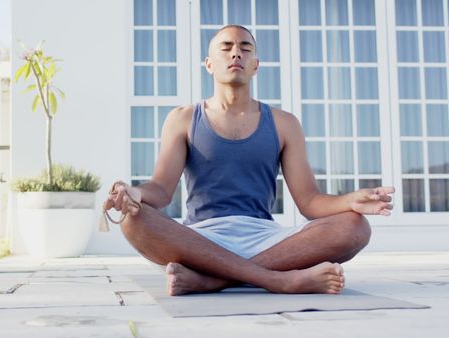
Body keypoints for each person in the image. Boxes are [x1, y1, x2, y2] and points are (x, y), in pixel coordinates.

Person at [104, 25, 395, 296]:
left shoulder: (284, 123)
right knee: (133, 218)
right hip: (201, 241)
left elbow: (309, 202)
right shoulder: (182, 119)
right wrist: (136, 193)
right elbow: (161, 190)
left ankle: (213, 280)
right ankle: (279, 280)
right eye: (226, 47)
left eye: (245, 48)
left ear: (255, 64)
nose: (235, 53)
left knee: (355, 227)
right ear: (209, 64)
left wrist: (350, 201)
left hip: (265, 239)